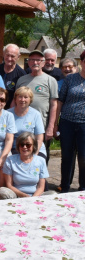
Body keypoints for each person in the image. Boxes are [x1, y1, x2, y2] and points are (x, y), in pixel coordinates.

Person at [16, 50, 58, 164]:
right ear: (28, 62)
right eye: (32, 60)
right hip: (22, 123)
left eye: (38, 60)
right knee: (22, 150)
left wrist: (51, 126)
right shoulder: (22, 80)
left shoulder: (50, 80)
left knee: (42, 153)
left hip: (42, 124)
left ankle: (41, 178)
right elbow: (15, 102)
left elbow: (54, 104)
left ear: (43, 63)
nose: (35, 62)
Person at [54, 50, 85, 193]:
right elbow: (60, 102)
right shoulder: (70, 79)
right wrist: (55, 123)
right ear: (81, 62)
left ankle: (83, 187)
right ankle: (65, 185)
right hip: (67, 122)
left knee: (84, 157)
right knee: (67, 155)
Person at [0, 132, 54, 199]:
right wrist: (23, 196)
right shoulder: (10, 160)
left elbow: (41, 187)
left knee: (53, 194)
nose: (24, 147)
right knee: (2, 191)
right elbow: (9, 185)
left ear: (34, 146)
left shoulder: (40, 161)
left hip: (35, 195)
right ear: (18, 146)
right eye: (22, 145)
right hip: (16, 195)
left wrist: (33, 198)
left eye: (28, 145)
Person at [8, 87, 46, 159]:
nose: (22, 100)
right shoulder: (8, 114)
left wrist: (35, 154)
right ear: (15, 99)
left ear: (30, 100)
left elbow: (39, 138)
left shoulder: (36, 114)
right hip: (15, 147)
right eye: (20, 97)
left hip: (33, 147)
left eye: (26, 97)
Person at [0, 44, 26, 109]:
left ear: (18, 57)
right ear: (3, 54)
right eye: (7, 55)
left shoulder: (22, 74)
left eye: (12, 56)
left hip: (12, 110)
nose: (9, 58)